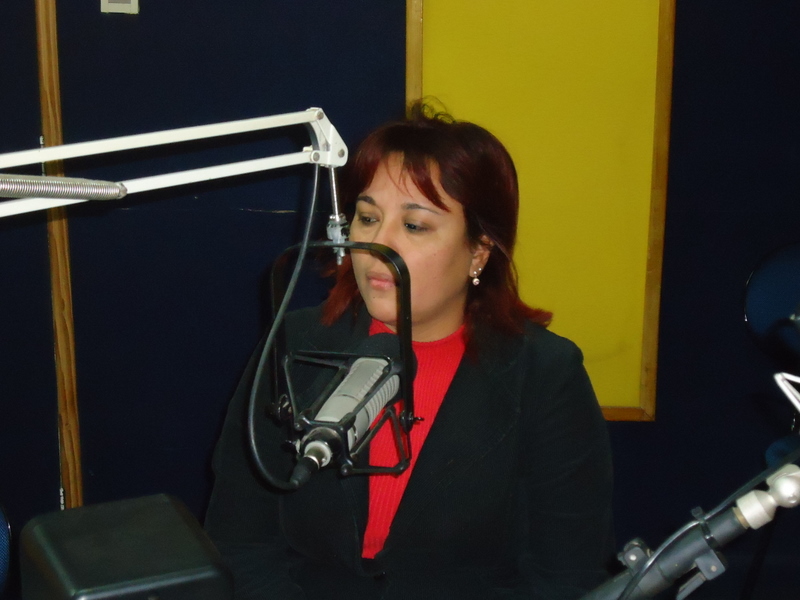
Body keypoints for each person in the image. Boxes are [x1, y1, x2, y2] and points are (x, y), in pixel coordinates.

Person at [204, 102, 614, 600]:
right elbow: (239, 540)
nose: (378, 244)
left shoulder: (546, 374)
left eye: (414, 226)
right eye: (367, 217)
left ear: (479, 251)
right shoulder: (295, 344)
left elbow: (565, 575)